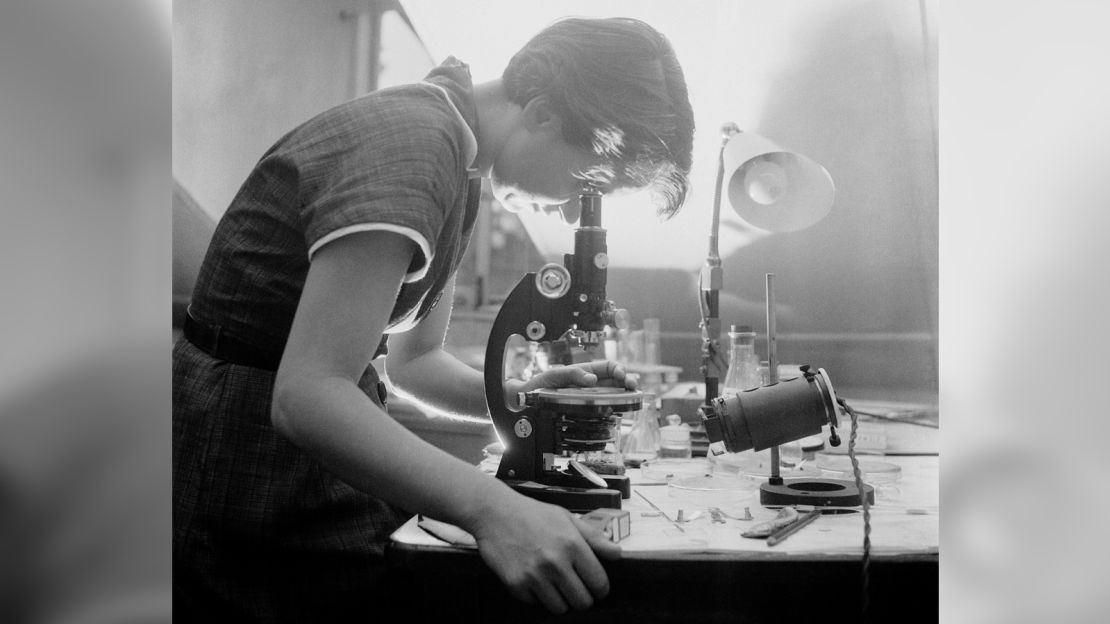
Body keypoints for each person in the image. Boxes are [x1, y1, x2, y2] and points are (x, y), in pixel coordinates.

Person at [173, 16, 695, 622]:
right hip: (241, 453)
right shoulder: (414, 146)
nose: (564, 205)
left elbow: (413, 362)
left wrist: (521, 399)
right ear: (545, 113)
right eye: (585, 178)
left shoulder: (459, 156)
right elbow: (308, 395)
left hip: (290, 440)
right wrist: (493, 510)